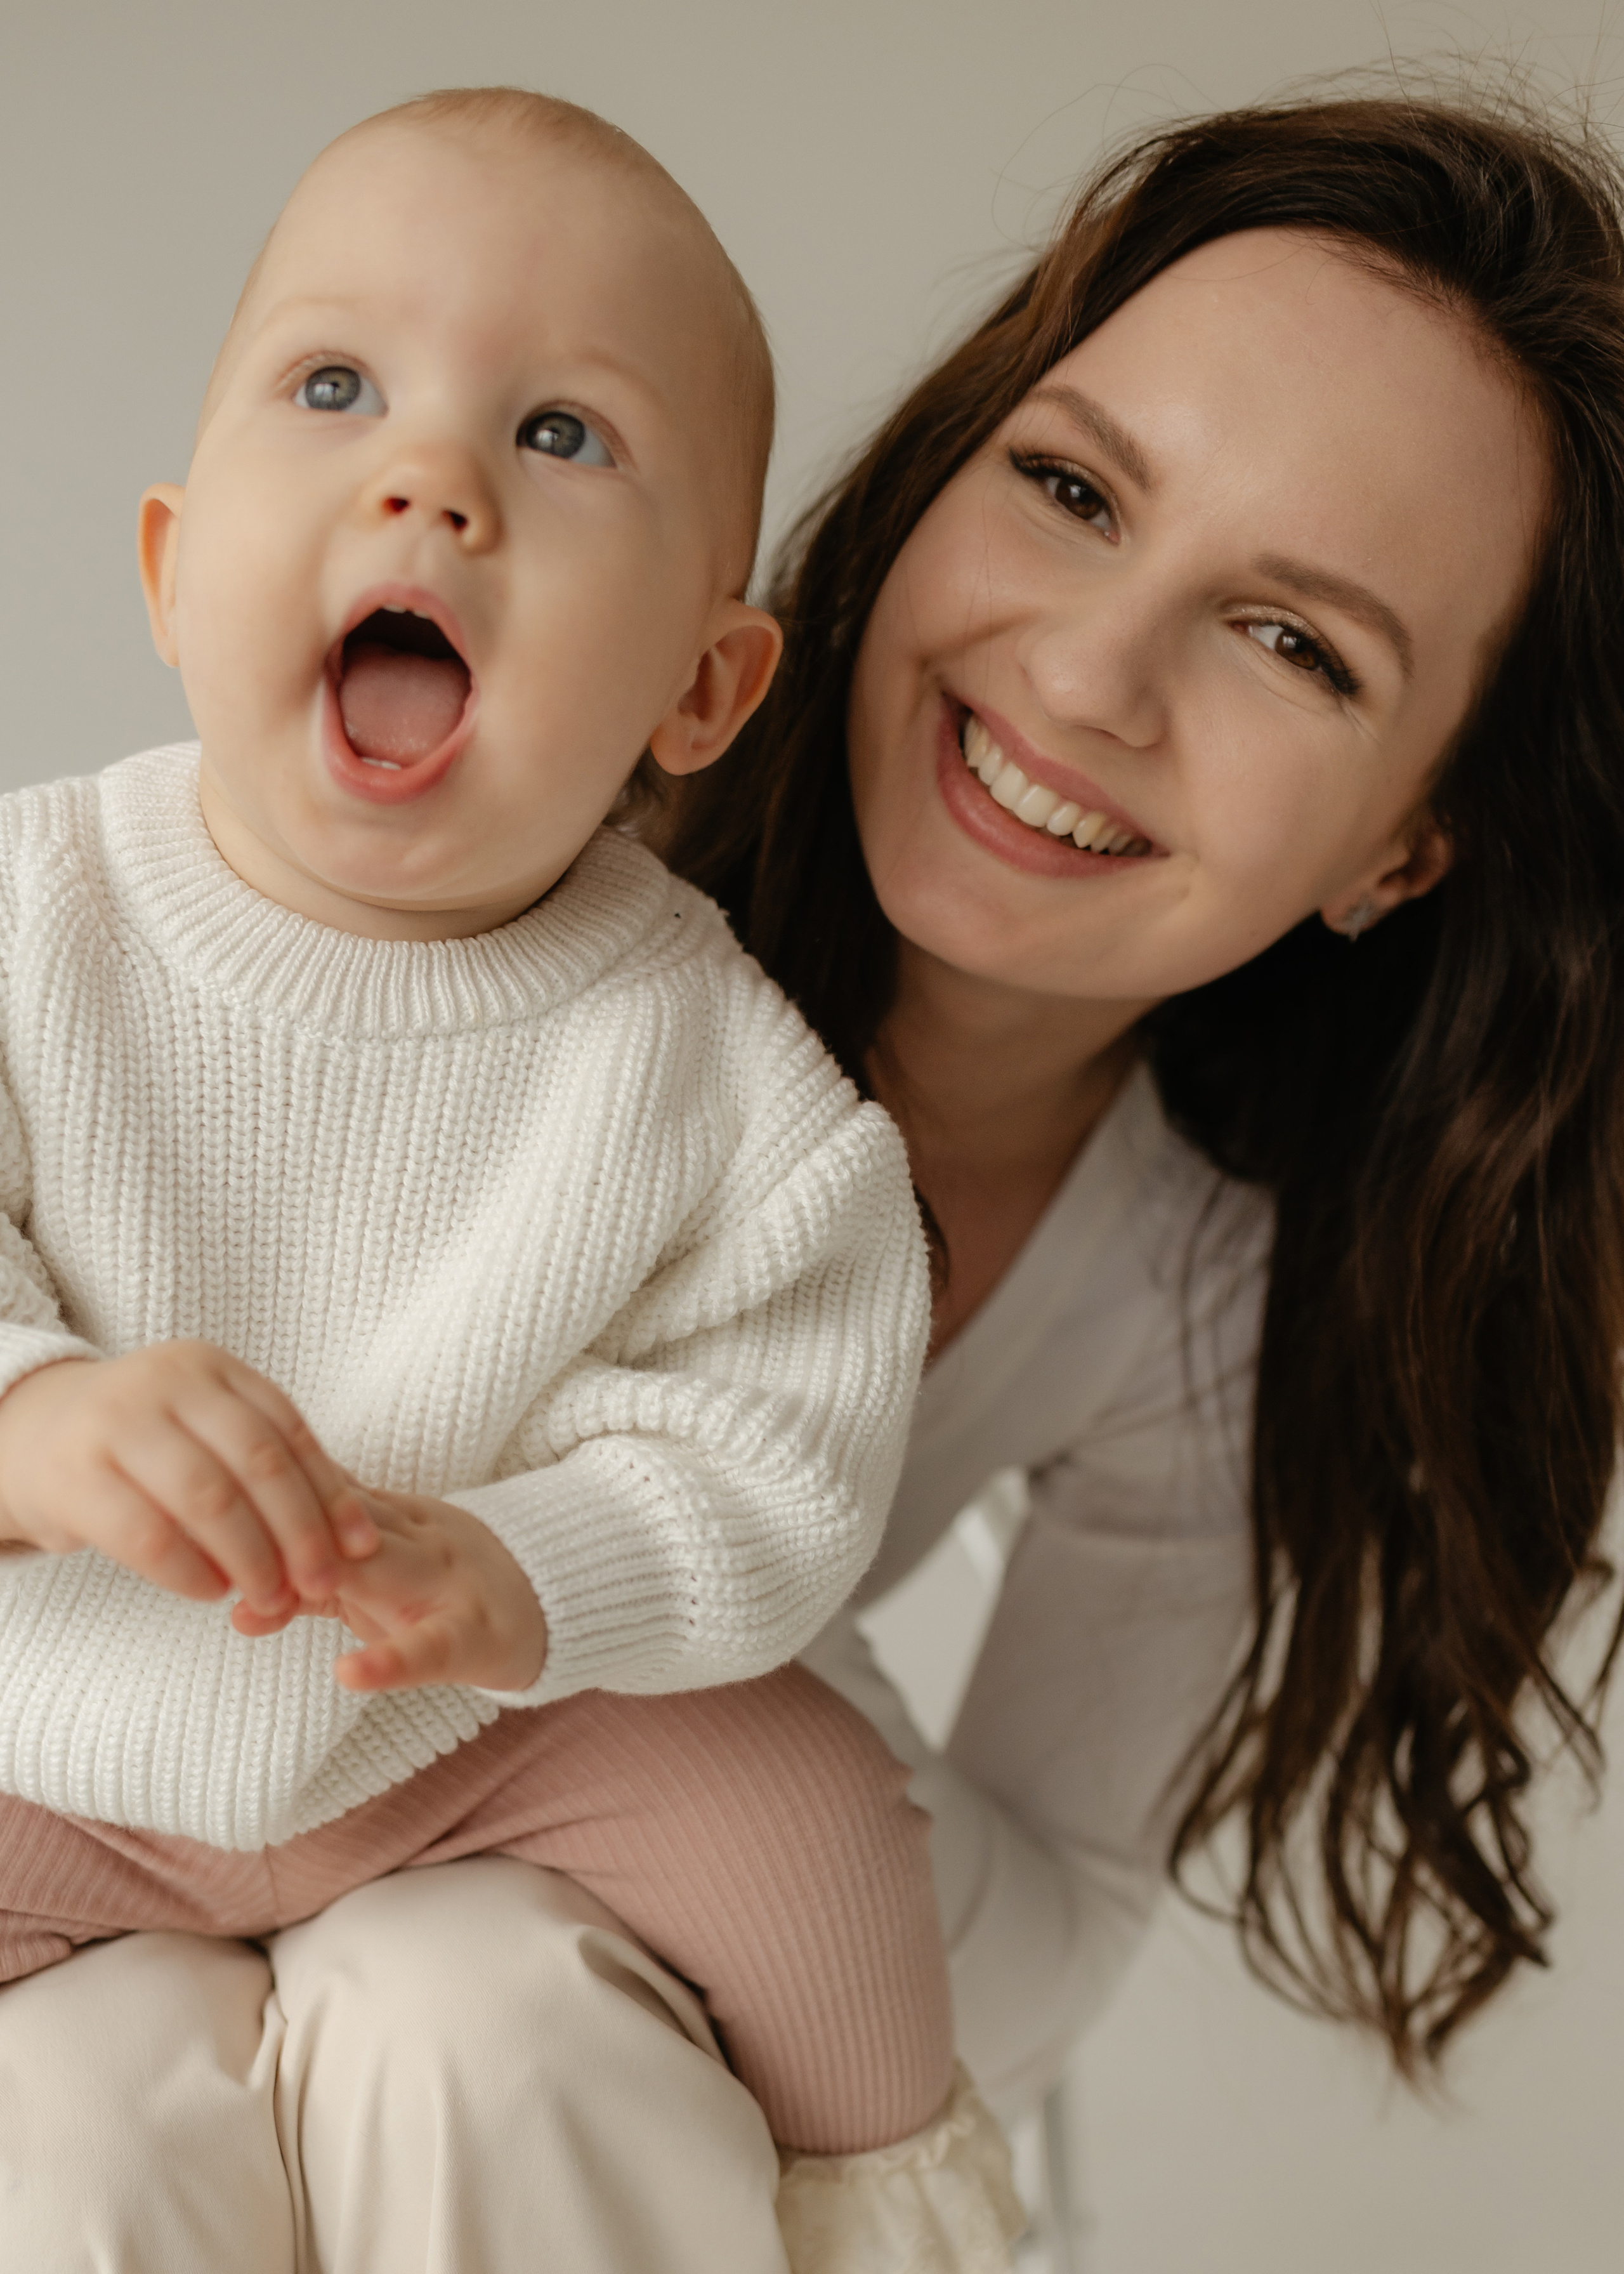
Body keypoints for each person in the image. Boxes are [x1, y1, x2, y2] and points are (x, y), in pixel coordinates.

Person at [6, 81, 1624, 2274]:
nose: (1086, 673)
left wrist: (604, 1626)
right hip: (89, 1790)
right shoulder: (403, 848)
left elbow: (1025, 1947)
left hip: (587, 1924)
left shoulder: (1167, 1286)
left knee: (472, 2010)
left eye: (1295, 643)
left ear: (1407, 847)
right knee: (92, 2100)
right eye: (1068, 490)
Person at [0, 86, 1024, 2274]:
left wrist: (536, 1569)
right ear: (178, 567)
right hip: (46, 1704)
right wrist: (33, 1416)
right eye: (338, 384)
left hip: (475, 1732)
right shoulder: (38, 907)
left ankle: (891, 2214)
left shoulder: (711, 1054)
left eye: (564, 438)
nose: (431, 476)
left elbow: (783, 1450)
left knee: (829, 1836)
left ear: (701, 687)